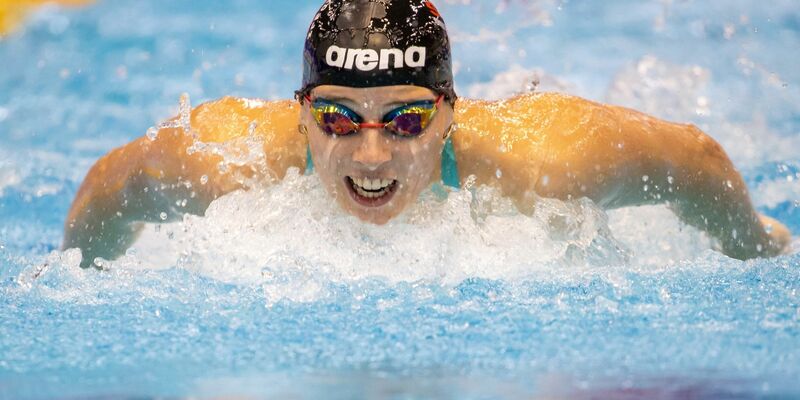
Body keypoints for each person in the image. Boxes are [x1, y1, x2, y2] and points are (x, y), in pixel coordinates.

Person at [63, 0, 791, 268]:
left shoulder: (546, 159)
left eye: (406, 120)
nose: (371, 154)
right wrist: (76, 274)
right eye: (337, 118)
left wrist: (756, 246)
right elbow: (109, 186)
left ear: (450, 113)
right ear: (301, 112)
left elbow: (695, 159)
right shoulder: (227, 158)